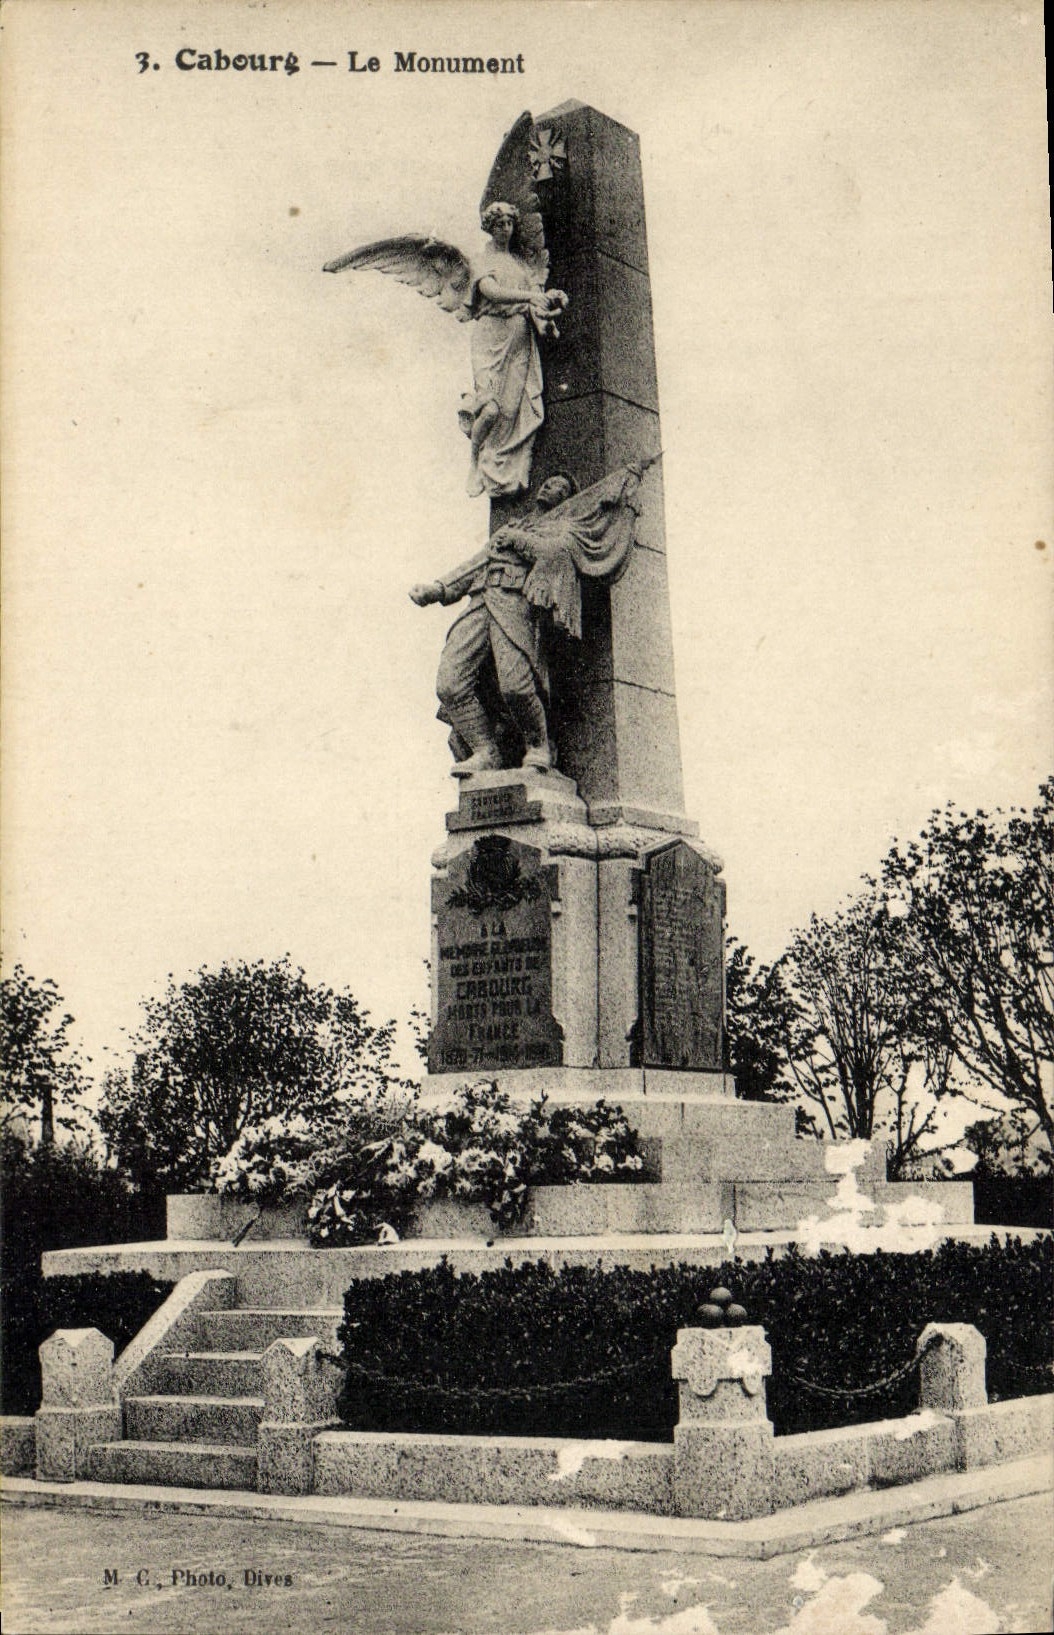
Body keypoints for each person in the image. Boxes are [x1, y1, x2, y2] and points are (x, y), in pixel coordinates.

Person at [410, 473, 578, 775]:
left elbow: (555, 555)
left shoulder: (561, 526)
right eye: (548, 481)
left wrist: (518, 541)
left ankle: (539, 746)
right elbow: (477, 563)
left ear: (565, 500)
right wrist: (438, 589)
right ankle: (485, 750)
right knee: (449, 683)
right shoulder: (511, 525)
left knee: (515, 686)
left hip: (515, 603)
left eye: (560, 487)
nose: (549, 486)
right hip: (480, 599)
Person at [459, 202, 568, 499]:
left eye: (509, 224)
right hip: (491, 335)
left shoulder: (520, 266)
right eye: (499, 225)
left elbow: (533, 310)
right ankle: (475, 462)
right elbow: (492, 292)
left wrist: (546, 318)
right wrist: (535, 295)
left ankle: (506, 470)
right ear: (490, 228)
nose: (505, 230)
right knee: (490, 409)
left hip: (520, 338)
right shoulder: (482, 261)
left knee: (510, 411)